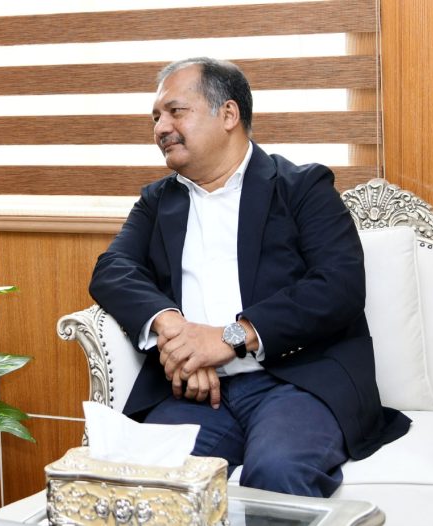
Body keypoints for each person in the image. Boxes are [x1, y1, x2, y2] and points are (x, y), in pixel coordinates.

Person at [89, 57, 410, 497]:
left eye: (175, 111)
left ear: (228, 115)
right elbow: (112, 270)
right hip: (197, 392)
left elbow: (340, 286)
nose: (161, 127)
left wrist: (229, 338)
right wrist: (176, 333)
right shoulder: (157, 202)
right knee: (147, 479)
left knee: (277, 471)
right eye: (156, 117)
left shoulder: (302, 187)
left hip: (295, 383)